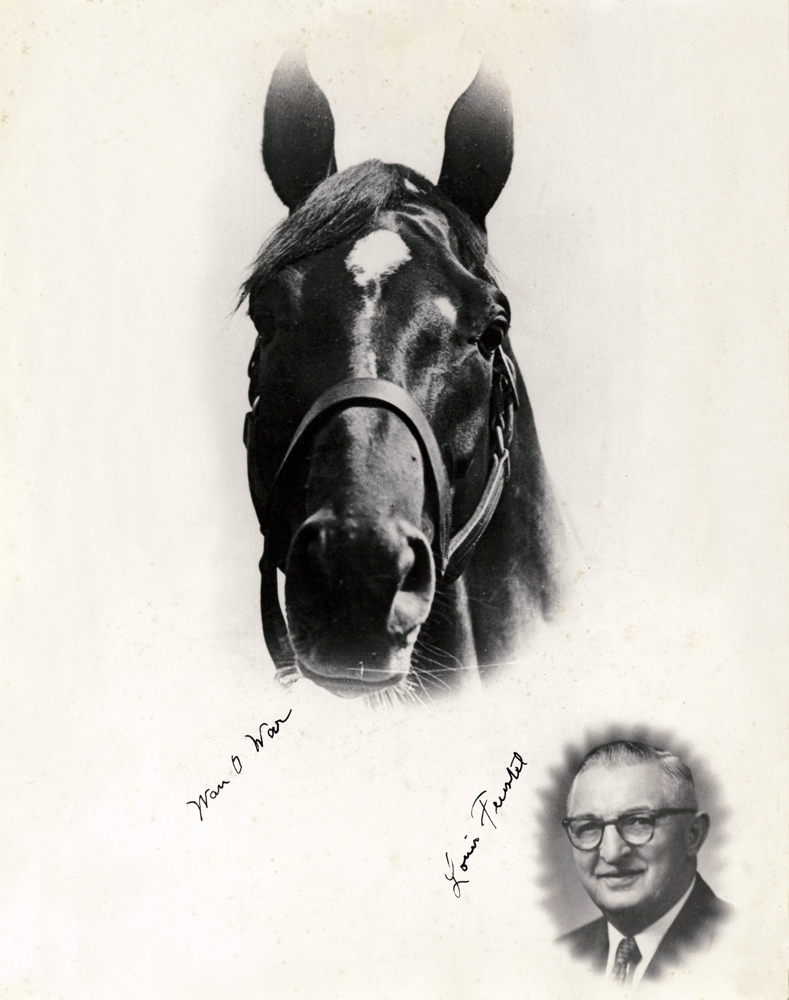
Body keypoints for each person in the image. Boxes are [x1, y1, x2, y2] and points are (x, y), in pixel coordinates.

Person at [558, 740, 731, 985]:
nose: (612, 853)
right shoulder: (562, 954)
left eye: (638, 822)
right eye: (588, 827)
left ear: (693, 835)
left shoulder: (745, 944)